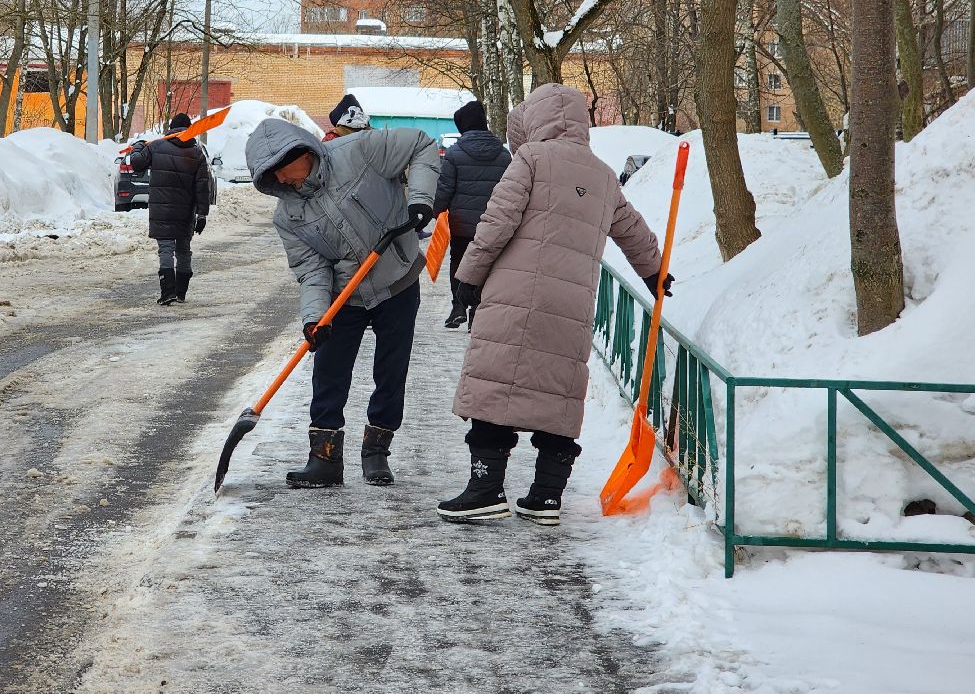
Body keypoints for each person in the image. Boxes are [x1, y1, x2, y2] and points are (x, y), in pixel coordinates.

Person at [436, 84, 671, 525]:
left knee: (495, 390)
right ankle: (545, 497)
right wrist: (654, 272)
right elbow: (632, 229)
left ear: (535, 120)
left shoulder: (530, 160)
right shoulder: (602, 174)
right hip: (573, 303)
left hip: (514, 296)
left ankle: (485, 490)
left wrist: (467, 277)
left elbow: (497, 221)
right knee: (559, 396)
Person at [245, 119, 440, 487]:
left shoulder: (359, 151)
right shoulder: (288, 214)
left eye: (281, 171)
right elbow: (311, 268)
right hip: (345, 294)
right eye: (270, 177)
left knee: (390, 368)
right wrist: (315, 318)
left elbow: (421, 144)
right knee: (329, 370)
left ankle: (377, 452)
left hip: (397, 278)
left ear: (299, 153)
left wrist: (420, 199)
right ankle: (324, 458)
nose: (281, 181)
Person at [432, 100, 511, 329]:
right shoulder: (504, 156)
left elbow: (445, 188)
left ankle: (458, 307)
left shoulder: (454, 154)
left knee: (459, 261)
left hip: (460, 224)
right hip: (492, 224)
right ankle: (477, 309)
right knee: (485, 264)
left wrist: (438, 212)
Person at [129, 112, 213, 306]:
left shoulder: (157, 147)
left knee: (166, 249)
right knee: (184, 250)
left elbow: (137, 164)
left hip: (162, 210)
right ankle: (181, 293)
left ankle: (167, 293)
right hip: (186, 211)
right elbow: (202, 186)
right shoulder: (197, 152)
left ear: (171, 128)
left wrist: (138, 147)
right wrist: (202, 214)